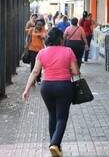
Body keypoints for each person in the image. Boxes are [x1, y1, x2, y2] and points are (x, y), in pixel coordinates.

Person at [22, 27, 80, 157]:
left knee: (52, 116)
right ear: (60, 39)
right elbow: (76, 71)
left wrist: (26, 90)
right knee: (62, 118)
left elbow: (35, 72)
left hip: (46, 87)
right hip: (64, 87)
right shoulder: (68, 51)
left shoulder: (42, 52)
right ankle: (54, 143)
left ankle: (55, 147)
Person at [28, 19, 47, 84]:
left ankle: (38, 79)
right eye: (38, 25)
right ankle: (32, 80)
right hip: (32, 49)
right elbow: (29, 39)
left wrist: (41, 36)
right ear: (35, 24)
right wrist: (26, 48)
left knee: (40, 65)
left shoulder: (43, 30)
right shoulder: (31, 30)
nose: (39, 26)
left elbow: (45, 38)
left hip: (41, 50)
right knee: (33, 64)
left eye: (41, 25)